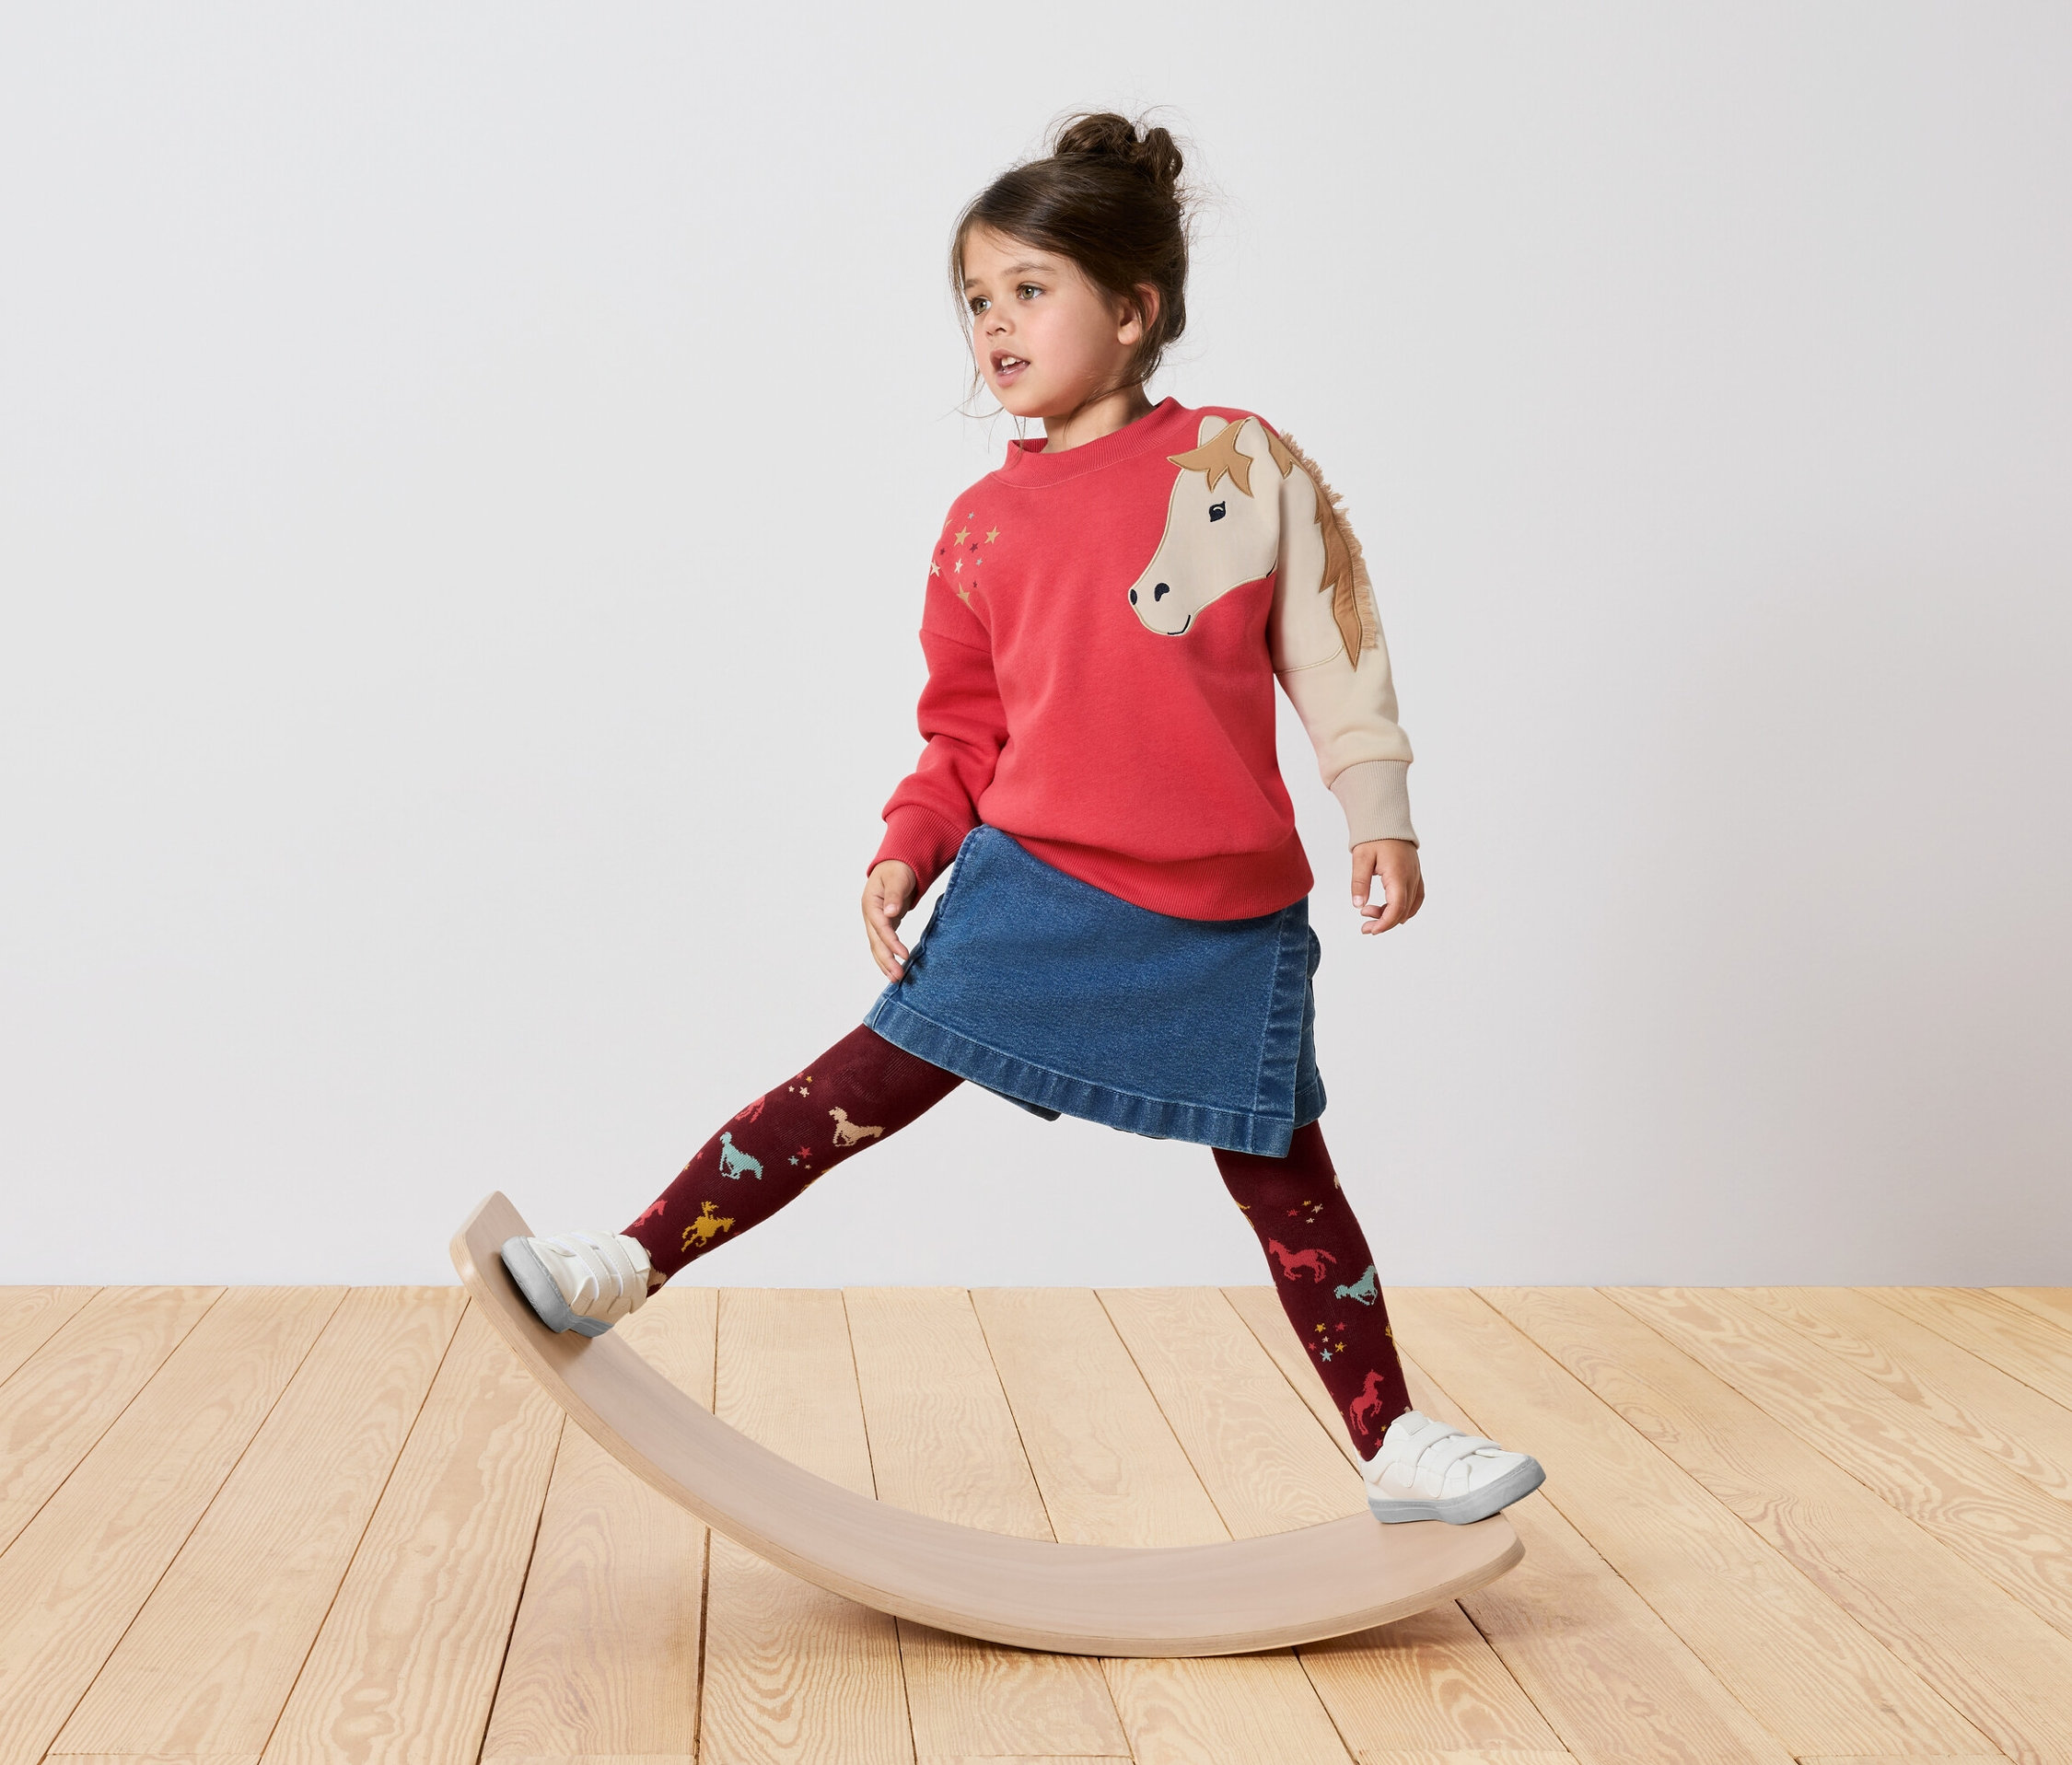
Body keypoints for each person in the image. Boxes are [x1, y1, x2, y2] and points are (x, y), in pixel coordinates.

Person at [502, 111, 1543, 1528]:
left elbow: (1335, 638)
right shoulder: (980, 527)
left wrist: (1380, 806)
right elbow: (963, 726)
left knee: (1286, 1175)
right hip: (1036, 879)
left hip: (1228, 909)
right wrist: (905, 843)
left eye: (1028, 290)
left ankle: (1395, 1440)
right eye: (976, 300)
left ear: (1132, 310)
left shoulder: (1238, 465)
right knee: (849, 1096)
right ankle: (625, 1262)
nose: (993, 323)